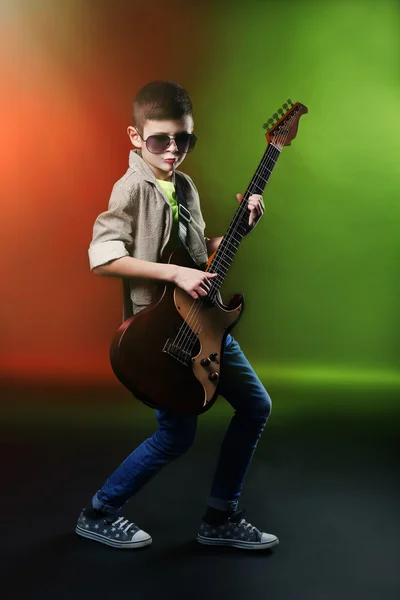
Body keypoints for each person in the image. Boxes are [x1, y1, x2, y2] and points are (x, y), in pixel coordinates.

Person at [75, 80, 278, 551]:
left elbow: (198, 256)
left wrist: (237, 231)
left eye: (183, 139)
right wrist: (173, 276)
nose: (172, 150)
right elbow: (103, 257)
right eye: (159, 139)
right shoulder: (130, 189)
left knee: (255, 406)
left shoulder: (183, 185)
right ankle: (99, 511)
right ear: (135, 137)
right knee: (176, 435)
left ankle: (220, 515)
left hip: (206, 322)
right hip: (166, 334)